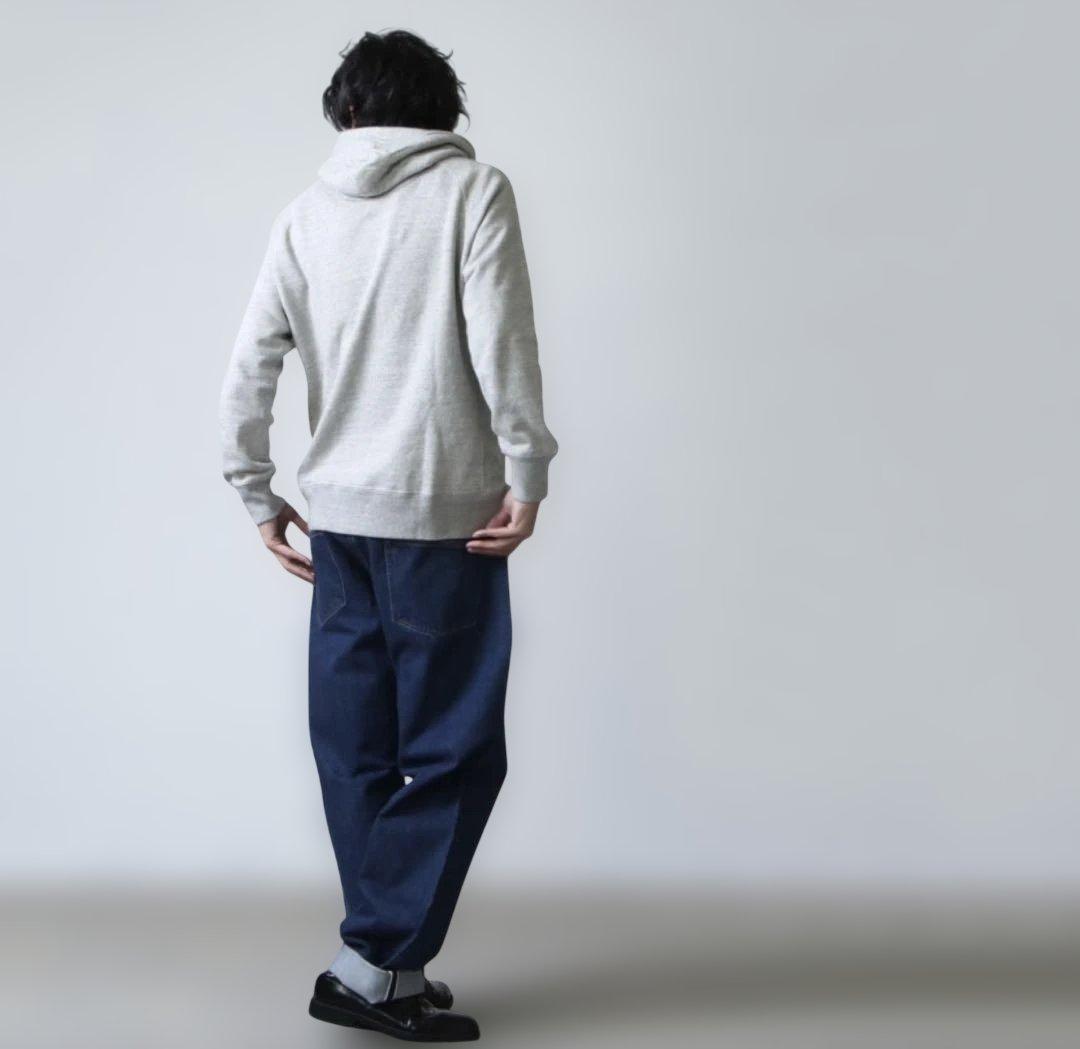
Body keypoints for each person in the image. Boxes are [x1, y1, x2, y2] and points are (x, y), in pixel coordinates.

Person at [219, 29, 557, 1043]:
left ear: (351, 111)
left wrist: (255, 491)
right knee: (454, 749)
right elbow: (503, 338)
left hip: (340, 525)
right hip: (443, 519)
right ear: (443, 109)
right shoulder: (472, 191)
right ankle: (370, 964)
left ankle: (390, 966)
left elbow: (250, 362)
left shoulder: (304, 213)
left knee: (355, 747)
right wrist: (528, 472)